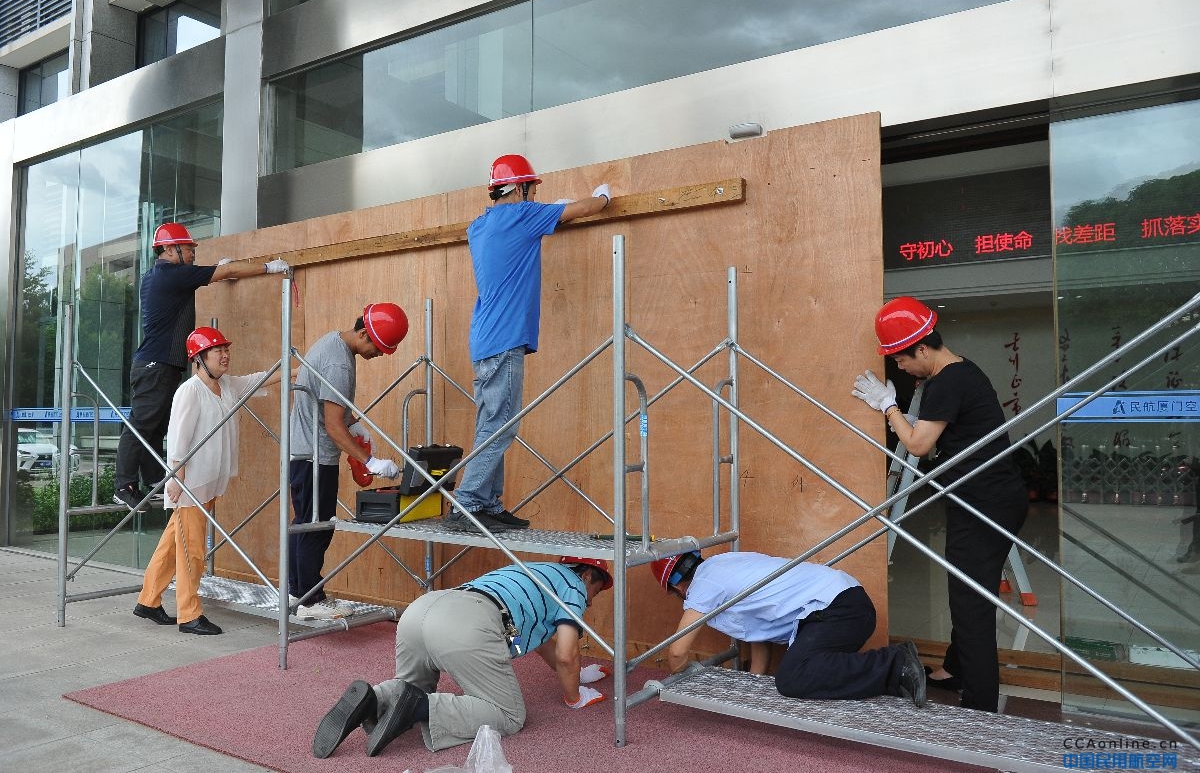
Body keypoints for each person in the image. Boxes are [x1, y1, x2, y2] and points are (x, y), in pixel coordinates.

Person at [851, 295, 1029, 712]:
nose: (900, 368)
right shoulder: (960, 373)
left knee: (971, 601)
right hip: (990, 498)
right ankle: (956, 667)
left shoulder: (948, 381)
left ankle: (980, 703)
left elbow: (917, 443)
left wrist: (887, 405)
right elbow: (939, 436)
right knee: (966, 589)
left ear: (923, 349)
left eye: (901, 360)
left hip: (984, 505)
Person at [445, 154, 613, 534]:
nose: (535, 194)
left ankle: (488, 502)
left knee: (491, 423)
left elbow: (542, 213)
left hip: (486, 338)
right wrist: (603, 198)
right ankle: (468, 504)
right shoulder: (524, 217)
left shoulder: (480, 226)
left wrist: (543, 208)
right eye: (532, 188)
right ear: (519, 187)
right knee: (501, 426)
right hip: (504, 340)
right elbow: (582, 209)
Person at [312, 556, 614, 758]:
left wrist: (580, 673)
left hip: (423, 610)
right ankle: (421, 708)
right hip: (469, 622)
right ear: (587, 575)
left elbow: (544, 641)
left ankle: (375, 698)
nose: (590, 600)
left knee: (409, 687)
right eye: (596, 592)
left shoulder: (534, 571)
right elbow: (565, 653)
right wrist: (575, 696)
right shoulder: (574, 586)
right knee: (509, 716)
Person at [114, 222, 288, 510]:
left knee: (156, 426)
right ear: (170, 250)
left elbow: (212, 274)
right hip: (155, 364)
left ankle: (155, 479)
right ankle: (124, 485)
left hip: (161, 364)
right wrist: (269, 267)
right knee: (142, 425)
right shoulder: (170, 275)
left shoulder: (160, 276)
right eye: (188, 249)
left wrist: (215, 268)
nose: (193, 253)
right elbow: (228, 272)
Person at [133, 328, 287, 635]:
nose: (225, 355)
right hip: (191, 482)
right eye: (218, 351)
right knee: (191, 549)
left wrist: (292, 368)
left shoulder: (227, 385)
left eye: (226, 350)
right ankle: (189, 614)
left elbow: (257, 379)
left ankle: (148, 600)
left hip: (211, 481)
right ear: (199, 358)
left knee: (173, 542)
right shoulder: (190, 391)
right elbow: (178, 437)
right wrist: (176, 478)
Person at [652, 550, 925, 708]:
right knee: (808, 669)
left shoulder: (703, 587)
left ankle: (897, 663)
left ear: (676, 587)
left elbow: (677, 652)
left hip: (837, 609)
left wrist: (681, 678)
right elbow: (757, 634)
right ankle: (894, 676)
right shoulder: (721, 565)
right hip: (844, 606)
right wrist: (753, 682)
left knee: (793, 678)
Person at [288, 304, 408, 620]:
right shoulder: (340, 365)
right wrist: (370, 462)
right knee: (317, 527)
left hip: (305, 451)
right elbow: (332, 424)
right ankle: (310, 601)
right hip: (316, 455)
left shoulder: (331, 342)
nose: (379, 355)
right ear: (363, 333)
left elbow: (335, 414)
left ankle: (296, 592)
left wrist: (354, 424)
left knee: (304, 523)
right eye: (378, 348)